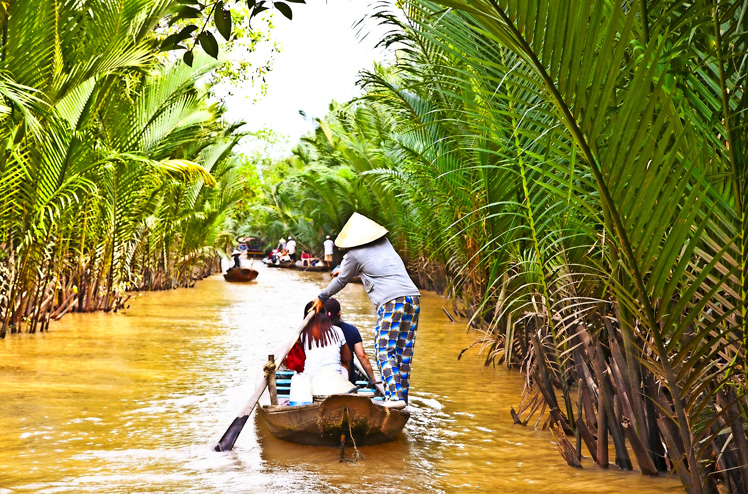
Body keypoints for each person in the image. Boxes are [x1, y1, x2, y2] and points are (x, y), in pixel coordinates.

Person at [311, 213, 420, 409]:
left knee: (383, 349)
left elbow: (342, 280)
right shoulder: (385, 243)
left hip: (392, 301)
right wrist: (343, 269)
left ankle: (394, 398)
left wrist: (322, 297)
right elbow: (372, 265)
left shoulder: (354, 255)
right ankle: (403, 398)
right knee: (403, 351)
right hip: (412, 297)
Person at [324, 297, 377, 385]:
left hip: (322, 376)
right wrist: (372, 379)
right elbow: (361, 355)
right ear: (339, 313)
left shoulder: (316, 331)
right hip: (347, 377)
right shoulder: (351, 330)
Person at [300, 301, 352, 384]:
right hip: (334, 380)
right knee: (345, 364)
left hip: (311, 380)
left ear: (304, 317)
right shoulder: (337, 330)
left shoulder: (302, 334)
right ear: (326, 315)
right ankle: (345, 386)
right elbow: (347, 358)